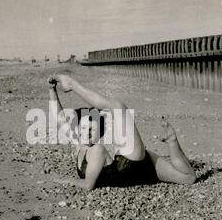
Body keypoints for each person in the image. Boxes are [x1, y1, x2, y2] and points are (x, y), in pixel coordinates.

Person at [48, 73, 196, 190]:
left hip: (131, 162)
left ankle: (72, 83)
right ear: (77, 129)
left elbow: (88, 185)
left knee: (117, 106)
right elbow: (60, 119)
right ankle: (172, 140)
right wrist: (52, 90)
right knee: (189, 178)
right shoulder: (78, 144)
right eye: (84, 128)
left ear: (99, 133)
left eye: (92, 129)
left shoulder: (97, 149)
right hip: (141, 173)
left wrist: (68, 180)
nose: (87, 132)